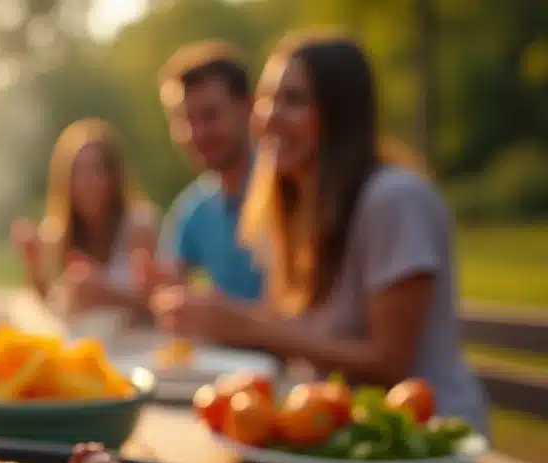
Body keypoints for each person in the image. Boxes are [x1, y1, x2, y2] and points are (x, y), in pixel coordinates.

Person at [151, 30, 489, 431]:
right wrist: (218, 316)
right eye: (268, 98)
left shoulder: (394, 198)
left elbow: (389, 361)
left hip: (427, 440)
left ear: (339, 113)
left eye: (293, 100)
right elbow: (293, 326)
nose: (270, 117)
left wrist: (246, 325)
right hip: (336, 435)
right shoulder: (289, 208)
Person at [10, 118, 157, 321]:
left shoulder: (140, 225)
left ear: (114, 177)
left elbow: (158, 305)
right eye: (78, 171)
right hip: (81, 344)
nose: (88, 182)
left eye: (97, 170)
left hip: (137, 347)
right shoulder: (56, 232)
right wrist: (32, 262)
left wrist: (105, 293)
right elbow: (49, 303)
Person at [154, 41, 264, 302]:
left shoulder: (291, 188)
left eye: (210, 115)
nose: (196, 134)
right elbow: (167, 285)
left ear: (248, 107)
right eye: (185, 120)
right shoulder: (193, 207)